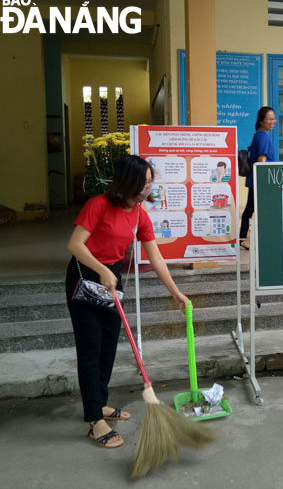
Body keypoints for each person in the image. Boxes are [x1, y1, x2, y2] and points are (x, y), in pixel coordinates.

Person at [65, 156, 189, 449]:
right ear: (129, 182)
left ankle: (101, 404)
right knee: (90, 348)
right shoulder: (98, 205)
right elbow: (74, 244)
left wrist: (175, 291)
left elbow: (155, 256)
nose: (149, 187)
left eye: (150, 181)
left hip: (112, 279)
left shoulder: (139, 214)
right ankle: (95, 421)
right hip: (85, 278)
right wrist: (102, 270)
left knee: (108, 345)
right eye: (145, 182)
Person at [239, 106, 277, 250]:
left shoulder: (259, 134)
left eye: (274, 118)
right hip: (260, 181)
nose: (272, 121)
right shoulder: (263, 136)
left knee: (250, 208)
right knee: (261, 209)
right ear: (261, 120)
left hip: (254, 180)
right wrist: (264, 182)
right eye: (269, 119)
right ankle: (262, 238)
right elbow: (261, 161)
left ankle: (243, 237)